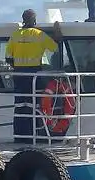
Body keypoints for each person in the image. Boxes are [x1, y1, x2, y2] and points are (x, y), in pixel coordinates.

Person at [5, 9, 62, 142]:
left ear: (23, 20)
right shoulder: (39, 35)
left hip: (18, 74)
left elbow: (8, 58)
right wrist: (57, 32)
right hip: (33, 75)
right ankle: (33, 136)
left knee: (19, 106)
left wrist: (18, 66)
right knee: (34, 106)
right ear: (34, 21)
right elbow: (55, 47)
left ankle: (19, 137)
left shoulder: (15, 35)